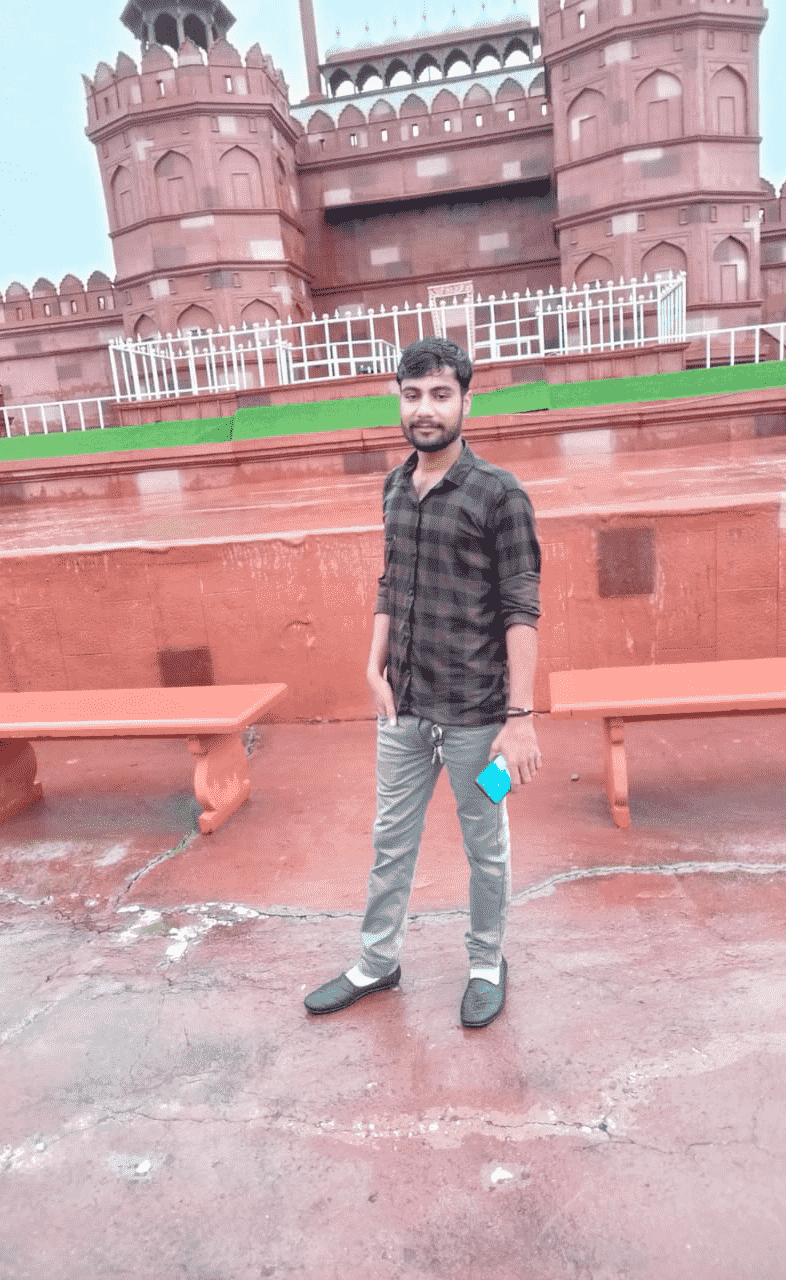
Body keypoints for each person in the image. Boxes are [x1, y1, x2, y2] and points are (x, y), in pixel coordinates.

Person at [304, 336, 542, 1028]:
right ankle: (377, 961)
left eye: (440, 394)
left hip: (476, 719)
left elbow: (520, 608)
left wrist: (520, 718)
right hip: (404, 713)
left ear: (467, 401)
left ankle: (486, 962)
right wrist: (371, 666)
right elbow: (390, 581)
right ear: (399, 401)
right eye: (412, 395)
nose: (425, 410)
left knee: (485, 846)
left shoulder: (500, 495)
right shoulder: (394, 486)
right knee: (390, 843)